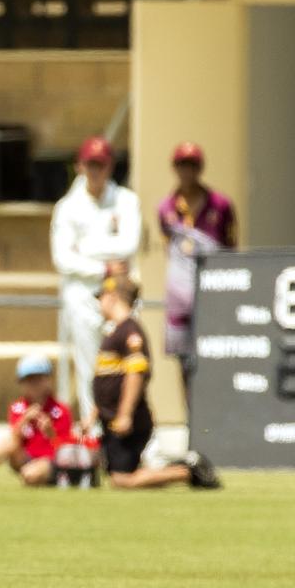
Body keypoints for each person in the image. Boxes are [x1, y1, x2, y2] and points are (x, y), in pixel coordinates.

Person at [80, 274, 220, 490]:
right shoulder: (115, 332)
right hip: (111, 419)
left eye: (102, 297)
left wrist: (125, 414)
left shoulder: (130, 332)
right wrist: (93, 415)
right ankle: (177, 469)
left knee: (122, 480)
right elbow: (109, 384)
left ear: (112, 297)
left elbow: (134, 375)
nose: (99, 304)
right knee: (118, 474)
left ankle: (187, 472)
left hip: (128, 419)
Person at [50, 136, 140, 425]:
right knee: (89, 366)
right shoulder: (67, 207)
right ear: (79, 166)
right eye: (90, 165)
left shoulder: (126, 200)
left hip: (120, 298)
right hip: (83, 295)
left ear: (110, 167)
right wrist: (103, 268)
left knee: (128, 363)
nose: (95, 171)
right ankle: (96, 435)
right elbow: (62, 258)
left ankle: (130, 427)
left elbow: (128, 245)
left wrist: (84, 247)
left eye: (100, 165)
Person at [157, 142, 237, 399]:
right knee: (184, 361)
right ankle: (191, 418)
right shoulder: (167, 208)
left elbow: (230, 246)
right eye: (182, 165)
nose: (187, 171)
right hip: (180, 298)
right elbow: (167, 246)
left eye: (192, 165)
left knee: (213, 355)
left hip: (212, 292)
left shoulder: (220, 205)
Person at [0, 354, 72, 487]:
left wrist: (50, 431)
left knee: (31, 476)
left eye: (38, 379)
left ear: (48, 380)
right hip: (24, 458)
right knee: (10, 440)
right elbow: (14, 439)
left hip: (49, 460)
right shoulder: (18, 408)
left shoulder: (61, 410)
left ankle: (51, 479)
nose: (34, 385)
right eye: (28, 380)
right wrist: (24, 420)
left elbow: (64, 447)